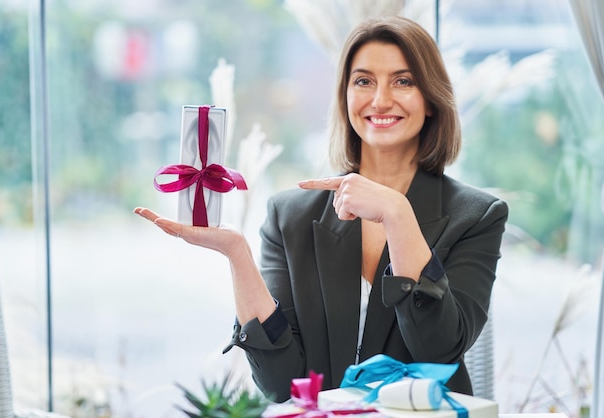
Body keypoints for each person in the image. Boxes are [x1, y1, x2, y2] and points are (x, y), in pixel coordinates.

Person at [134, 15, 508, 403]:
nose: (380, 100)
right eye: (363, 81)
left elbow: (438, 350)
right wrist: (236, 254)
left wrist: (397, 214)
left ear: (431, 99)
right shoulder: (289, 215)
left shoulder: (478, 215)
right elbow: (282, 384)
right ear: (345, 98)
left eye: (403, 81)